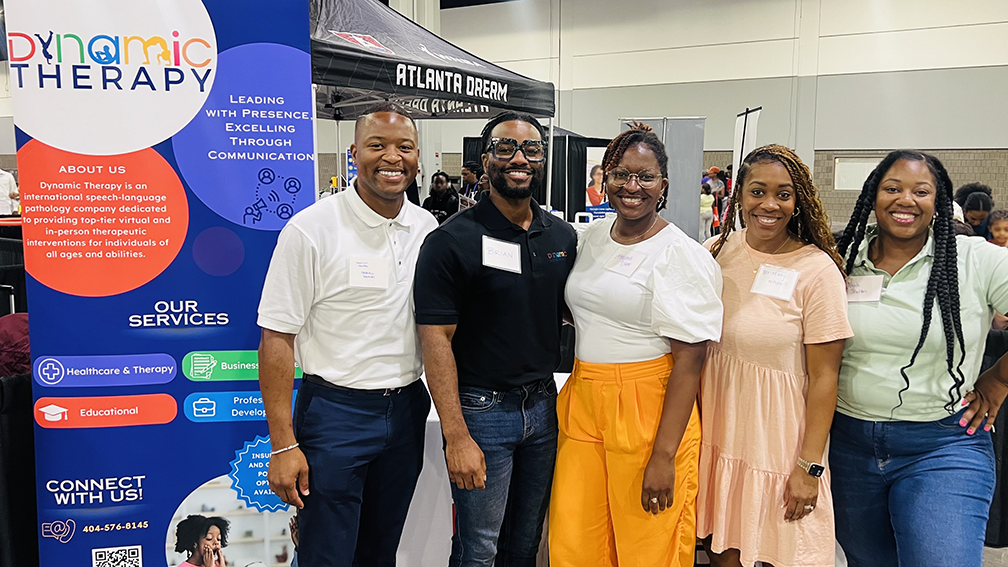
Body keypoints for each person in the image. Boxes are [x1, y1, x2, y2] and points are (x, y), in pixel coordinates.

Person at [257, 102, 438, 567]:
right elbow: (276, 339)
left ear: (418, 157)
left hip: (406, 410)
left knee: (380, 551)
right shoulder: (311, 230)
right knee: (327, 554)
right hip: (335, 415)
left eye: (404, 147)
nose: (392, 157)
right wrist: (283, 444)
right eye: (377, 145)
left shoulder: (427, 227)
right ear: (354, 153)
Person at [550, 124, 723, 566]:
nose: (632, 187)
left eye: (646, 177)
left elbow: (690, 362)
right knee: (576, 541)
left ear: (663, 185)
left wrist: (664, 456)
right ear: (604, 178)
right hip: (584, 397)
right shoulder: (590, 238)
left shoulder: (680, 254)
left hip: (649, 408)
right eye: (621, 174)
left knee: (647, 546)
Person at [415, 111, 577, 567]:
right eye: (505, 148)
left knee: (525, 544)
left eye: (530, 149)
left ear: (541, 160)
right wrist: (456, 436)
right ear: (485, 160)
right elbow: (435, 339)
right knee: (478, 549)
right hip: (481, 412)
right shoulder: (451, 241)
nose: (519, 159)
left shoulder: (561, 236)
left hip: (543, 407)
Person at [832, 150, 1008, 567]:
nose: (905, 200)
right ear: (873, 196)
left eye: (921, 191)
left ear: (939, 201)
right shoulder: (839, 259)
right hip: (846, 445)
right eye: (892, 188)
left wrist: (999, 378)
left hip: (943, 444)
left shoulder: (977, 260)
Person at [699, 144, 852, 567]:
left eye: (783, 194)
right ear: (739, 196)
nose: (769, 204)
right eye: (758, 191)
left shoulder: (817, 270)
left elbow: (825, 377)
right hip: (720, 433)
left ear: (797, 201)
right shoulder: (715, 252)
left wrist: (809, 466)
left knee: (783, 553)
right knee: (723, 553)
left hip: (780, 447)